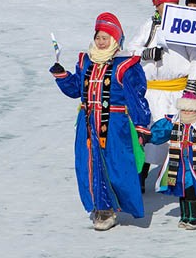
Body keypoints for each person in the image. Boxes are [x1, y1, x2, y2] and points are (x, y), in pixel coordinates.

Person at [49, 12, 151, 231]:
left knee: (116, 166)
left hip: (114, 125)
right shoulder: (86, 61)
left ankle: (114, 206)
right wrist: (62, 75)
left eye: (105, 38)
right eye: (98, 37)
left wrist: (141, 125)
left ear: (115, 39)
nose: (101, 42)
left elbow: (136, 97)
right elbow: (76, 89)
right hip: (87, 124)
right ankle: (100, 207)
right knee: (88, 164)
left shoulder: (126, 65)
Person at [125, 0, 196, 193]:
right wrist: (147, 53)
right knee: (146, 134)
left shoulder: (186, 27)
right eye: (165, 7)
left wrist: (191, 87)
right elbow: (131, 49)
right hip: (151, 92)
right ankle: (139, 176)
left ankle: (177, 180)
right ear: (158, 7)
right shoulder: (149, 26)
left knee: (177, 138)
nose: (169, 10)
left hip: (177, 92)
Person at [150, 91, 196, 230]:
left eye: (190, 110)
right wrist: (146, 136)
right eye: (184, 110)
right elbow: (159, 133)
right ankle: (185, 216)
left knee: (191, 191)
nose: (187, 112)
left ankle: (194, 217)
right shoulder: (175, 123)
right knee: (181, 191)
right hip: (178, 165)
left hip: (195, 165)